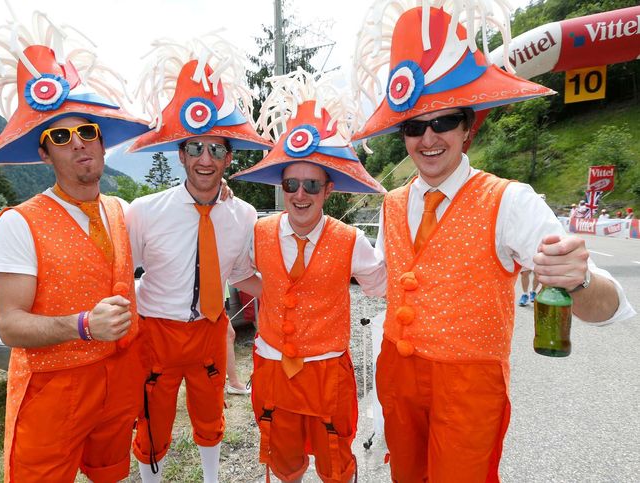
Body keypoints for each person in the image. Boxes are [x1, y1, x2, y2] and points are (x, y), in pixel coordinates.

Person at [351, 2, 637, 481]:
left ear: (469, 127)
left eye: (444, 121)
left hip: (469, 384)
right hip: (396, 377)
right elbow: (389, 280)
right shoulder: (392, 204)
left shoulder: (510, 201)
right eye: (414, 126)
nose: (428, 138)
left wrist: (581, 277)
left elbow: (603, 306)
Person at [0, 13, 150, 483]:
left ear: (102, 142)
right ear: (44, 154)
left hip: (119, 382)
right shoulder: (18, 223)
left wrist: (217, 194)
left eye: (87, 131)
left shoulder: (119, 208)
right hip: (53, 390)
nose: (78, 144)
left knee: (110, 472)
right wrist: (82, 325)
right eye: (60, 137)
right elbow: (9, 325)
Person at [126, 37, 271, 483]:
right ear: (179, 153)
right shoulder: (143, 212)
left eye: (216, 149)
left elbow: (244, 273)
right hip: (157, 332)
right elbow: (119, 275)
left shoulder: (243, 214)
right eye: (195, 148)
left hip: (211, 331)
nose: (205, 159)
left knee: (211, 417)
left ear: (229, 155)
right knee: (152, 420)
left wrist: (296, 296)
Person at [232, 69, 387, 483]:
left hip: (326, 374)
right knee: (283, 466)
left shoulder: (352, 240)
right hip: (272, 368)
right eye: (292, 184)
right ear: (283, 187)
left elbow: (382, 284)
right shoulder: (259, 232)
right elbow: (236, 272)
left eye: (312, 185)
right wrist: (270, 290)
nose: (301, 194)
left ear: (328, 189)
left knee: (336, 464)